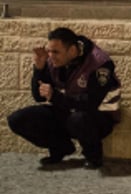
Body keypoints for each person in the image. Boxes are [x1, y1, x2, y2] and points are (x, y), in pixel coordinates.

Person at [7, 27, 122, 169]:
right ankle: (61, 147)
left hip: (100, 116)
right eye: (49, 51)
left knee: (79, 119)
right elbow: (39, 97)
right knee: (18, 119)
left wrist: (55, 97)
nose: (51, 55)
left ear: (72, 50)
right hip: (68, 109)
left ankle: (93, 156)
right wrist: (39, 69)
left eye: (55, 52)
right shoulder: (52, 61)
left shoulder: (99, 63)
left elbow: (91, 103)